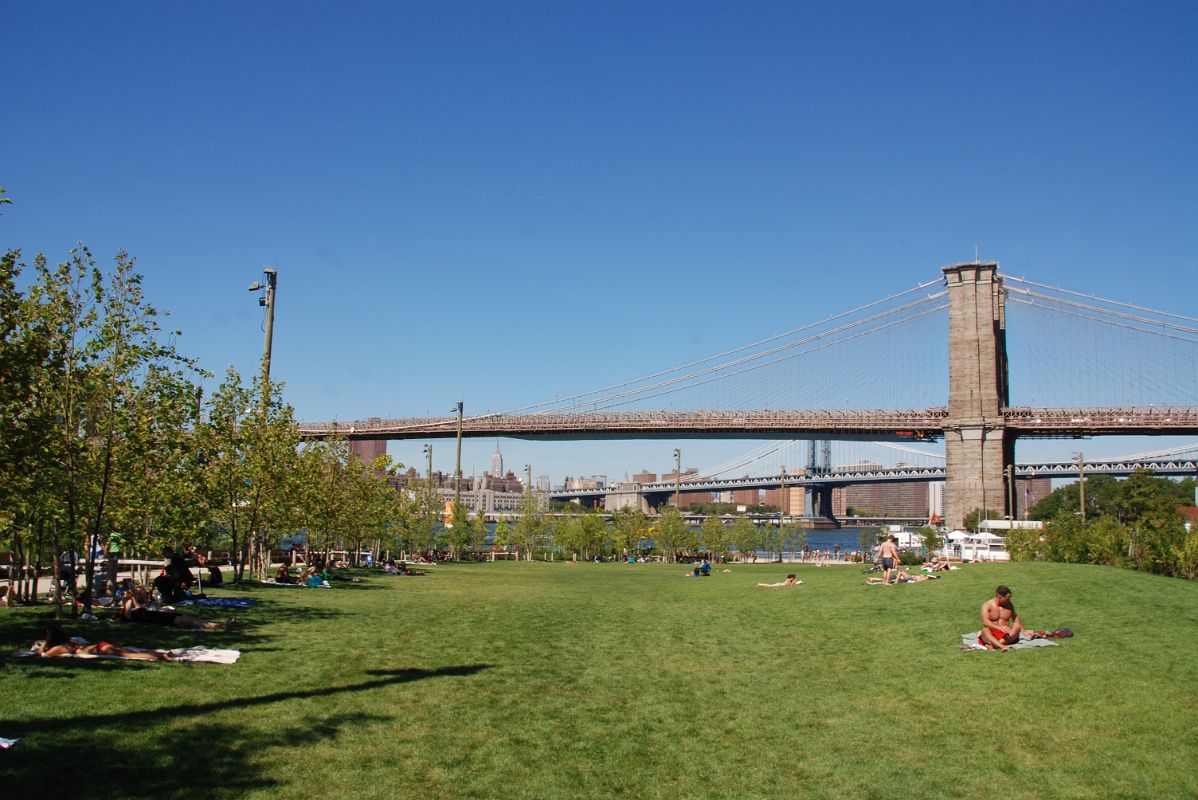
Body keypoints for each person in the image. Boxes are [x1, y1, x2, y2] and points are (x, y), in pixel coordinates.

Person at [121, 594, 233, 630]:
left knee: (195, 620)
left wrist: (130, 594)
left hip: (165, 616)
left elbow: (134, 601)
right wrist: (127, 599)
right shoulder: (131, 616)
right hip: (163, 619)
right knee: (193, 622)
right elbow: (128, 605)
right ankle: (221, 625)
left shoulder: (137, 611)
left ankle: (221, 625)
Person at [979, 585, 1025, 651]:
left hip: (1006, 635)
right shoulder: (987, 605)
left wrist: (1024, 631)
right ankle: (1002, 646)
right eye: (1007, 598)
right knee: (985, 630)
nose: (1009, 600)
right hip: (992, 633)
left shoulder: (1009, 604)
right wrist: (999, 628)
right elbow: (985, 621)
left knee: (1017, 626)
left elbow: (1015, 617)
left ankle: (995, 645)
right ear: (999, 597)